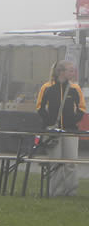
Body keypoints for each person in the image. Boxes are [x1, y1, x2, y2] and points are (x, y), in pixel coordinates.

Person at [35, 60, 86, 196]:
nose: (73, 73)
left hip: (70, 131)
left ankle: (70, 191)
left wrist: (73, 121)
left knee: (71, 162)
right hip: (53, 131)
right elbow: (40, 107)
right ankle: (55, 192)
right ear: (61, 72)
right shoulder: (47, 87)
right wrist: (50, 122)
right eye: (70, 70)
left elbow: (81, 108)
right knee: (55, 162)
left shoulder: (75, 88)